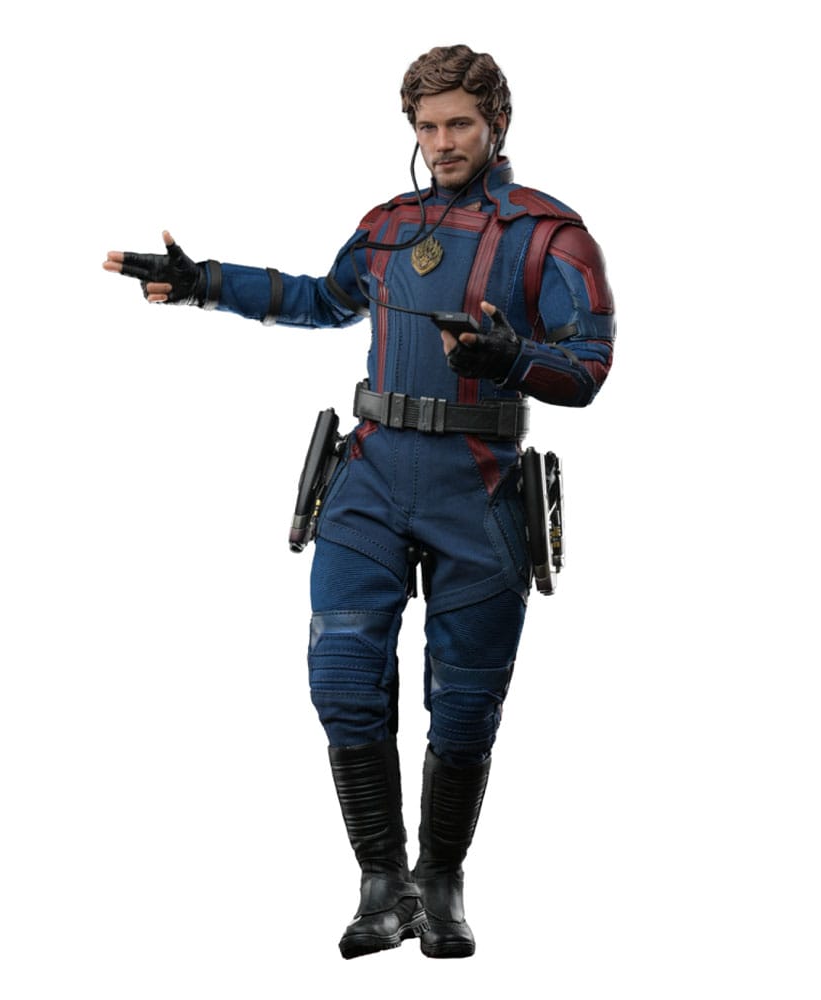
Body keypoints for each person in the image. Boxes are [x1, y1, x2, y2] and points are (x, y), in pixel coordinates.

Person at [103, 44, 614, 959]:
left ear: (498, 123)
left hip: (479, 490)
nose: (442, 142)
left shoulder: (552, 235)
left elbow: (589, 369)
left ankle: (441, 881)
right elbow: (323, 299)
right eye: (427, 125)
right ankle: (383, 884)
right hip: (370, 479)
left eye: (460, 123)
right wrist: (204, 282)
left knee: (466, 706)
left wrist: (510, 357)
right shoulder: (388, 226)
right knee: (341, 680)